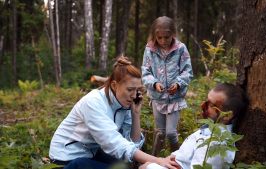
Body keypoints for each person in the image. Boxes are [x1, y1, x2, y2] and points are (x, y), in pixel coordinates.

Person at [49, 56, 179, 169]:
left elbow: (132, 144)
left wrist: (135, 114)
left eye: (137, 90)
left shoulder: (124, 102)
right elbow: (114, 143)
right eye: (130, 89)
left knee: (122, 164)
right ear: (114, 85)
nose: (134, 95)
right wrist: (158, 160)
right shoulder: (93, 102)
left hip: (91, 152)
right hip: (66, 158)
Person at [139, 83, 249, 169]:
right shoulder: (209, 129)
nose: (203, 106)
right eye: (206, 100)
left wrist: (150, 166)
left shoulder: (217, 145)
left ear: (227, 115)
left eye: (211, 105)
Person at [141, 16, 193, 156]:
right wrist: (154, 83)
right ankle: (154, 159)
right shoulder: (150, 49)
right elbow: (145, 72)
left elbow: (188, 71)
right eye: (160, 38)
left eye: (167, 37)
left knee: (170, 133)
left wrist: (178, 83)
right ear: (154, 36)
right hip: (157, 98)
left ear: (173, 34)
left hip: (174, 99)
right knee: (160, 133)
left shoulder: (180, 49)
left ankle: (178, 159)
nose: (163, 41)